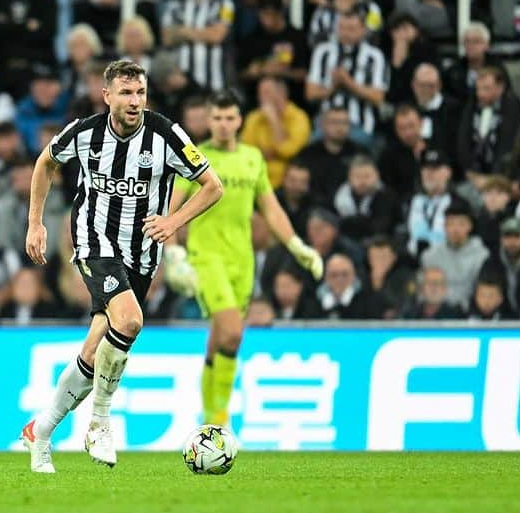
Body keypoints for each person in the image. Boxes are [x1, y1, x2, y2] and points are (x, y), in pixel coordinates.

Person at [20, 60, 223, 474]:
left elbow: (212, 186)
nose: (135, 101)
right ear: (107, 95)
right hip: (95, 242)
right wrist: (35, 222)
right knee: (129, 321)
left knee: (95, 350)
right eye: (126, 93)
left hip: (142, 255)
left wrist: (172, 221)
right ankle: (99, 422)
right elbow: (46, 163)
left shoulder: (166, 135)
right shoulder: (85, 132)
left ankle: (40, 432)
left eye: (140, 93)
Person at [168, 91, 322, 425]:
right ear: (209, 121)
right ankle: (219, 421)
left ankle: (207, 422)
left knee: (222, 339)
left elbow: (270, 207)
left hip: (242, 260)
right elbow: (173, 202)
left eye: (230, 118)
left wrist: (296, 244)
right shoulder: (194, 157)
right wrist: (172, 250)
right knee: (234, 331)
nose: (223, 125)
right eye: (217, 118)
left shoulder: (253, 158)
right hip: (206, 257)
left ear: (240, 120)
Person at [306, 9, 388, 143]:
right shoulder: (322, 52)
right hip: (326, 124)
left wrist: (348, 82)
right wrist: (332, 87)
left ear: (363, 30)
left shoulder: (375, 56)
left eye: (351, 29)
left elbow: (378, 98)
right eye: (342, 28)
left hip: (360, 125)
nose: (345, 33)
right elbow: (310, 94)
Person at [160, 0, 235, 92]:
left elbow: (217, 36)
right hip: (181, 83)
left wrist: (182, 31)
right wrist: (206, 32)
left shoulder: (225, 4)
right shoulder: (175, 6)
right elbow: (167, 38)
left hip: (215, 83)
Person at [456, 66, 520, 187]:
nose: (480, 94)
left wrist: (493, 178)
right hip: (473, 175)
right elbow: (463, 139)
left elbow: (508, 144)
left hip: (501, 175)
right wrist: (470, 171)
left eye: (486, 89)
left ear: (500, 88)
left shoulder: (512, 106)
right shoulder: (472, 104)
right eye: (478, 89)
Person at [240, 77, 312, 188]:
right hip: (255, 178)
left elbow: (288, 150)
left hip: (286, 183)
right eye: (259, 93)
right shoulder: (254, 117)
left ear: (281, 94)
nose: (260, 97)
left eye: (266, 92)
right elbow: (246, 151)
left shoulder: (298, 117)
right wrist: (273, 153)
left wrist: (274, 121)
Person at [420, 199, 489, 308]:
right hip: (437, 312)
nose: (455, 229)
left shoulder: (482, 256)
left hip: (468, 314)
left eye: (461, 224)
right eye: (451, 224)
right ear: (444, 226)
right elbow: (423, 291)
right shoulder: (429, 256)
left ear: (470, 226)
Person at [478, 216, 520, 312]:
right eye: (507, 236)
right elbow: (483, 289)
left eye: (517, 236)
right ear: (501, 239)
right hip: (500, 319)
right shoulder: (493, 260)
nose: (512, 242)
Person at [400, 265, 465, 319]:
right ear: (421, 288)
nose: (434, 287)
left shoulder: (457, 315)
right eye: (429, 282)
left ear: (445, 289)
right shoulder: (409, 314)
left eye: (438, 282)